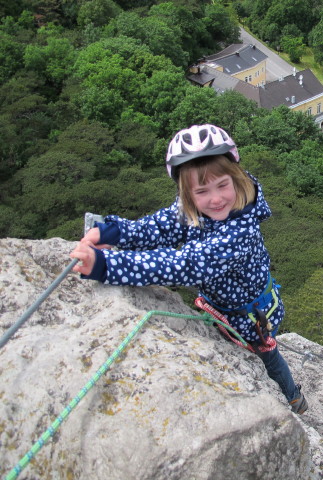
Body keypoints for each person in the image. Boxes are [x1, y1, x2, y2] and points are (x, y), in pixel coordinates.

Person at [70, 124, 308, 414]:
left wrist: (107, 265)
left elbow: (185, 265)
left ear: (236, 178)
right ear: (188, 194)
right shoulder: (192, 207)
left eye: (222, 185)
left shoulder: (239, 233)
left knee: (267, 357)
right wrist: (113, 233)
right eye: (202, 191)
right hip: (219, 308)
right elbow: (158, 227)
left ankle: (294, 398)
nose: (216, 198)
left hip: (252, 317)